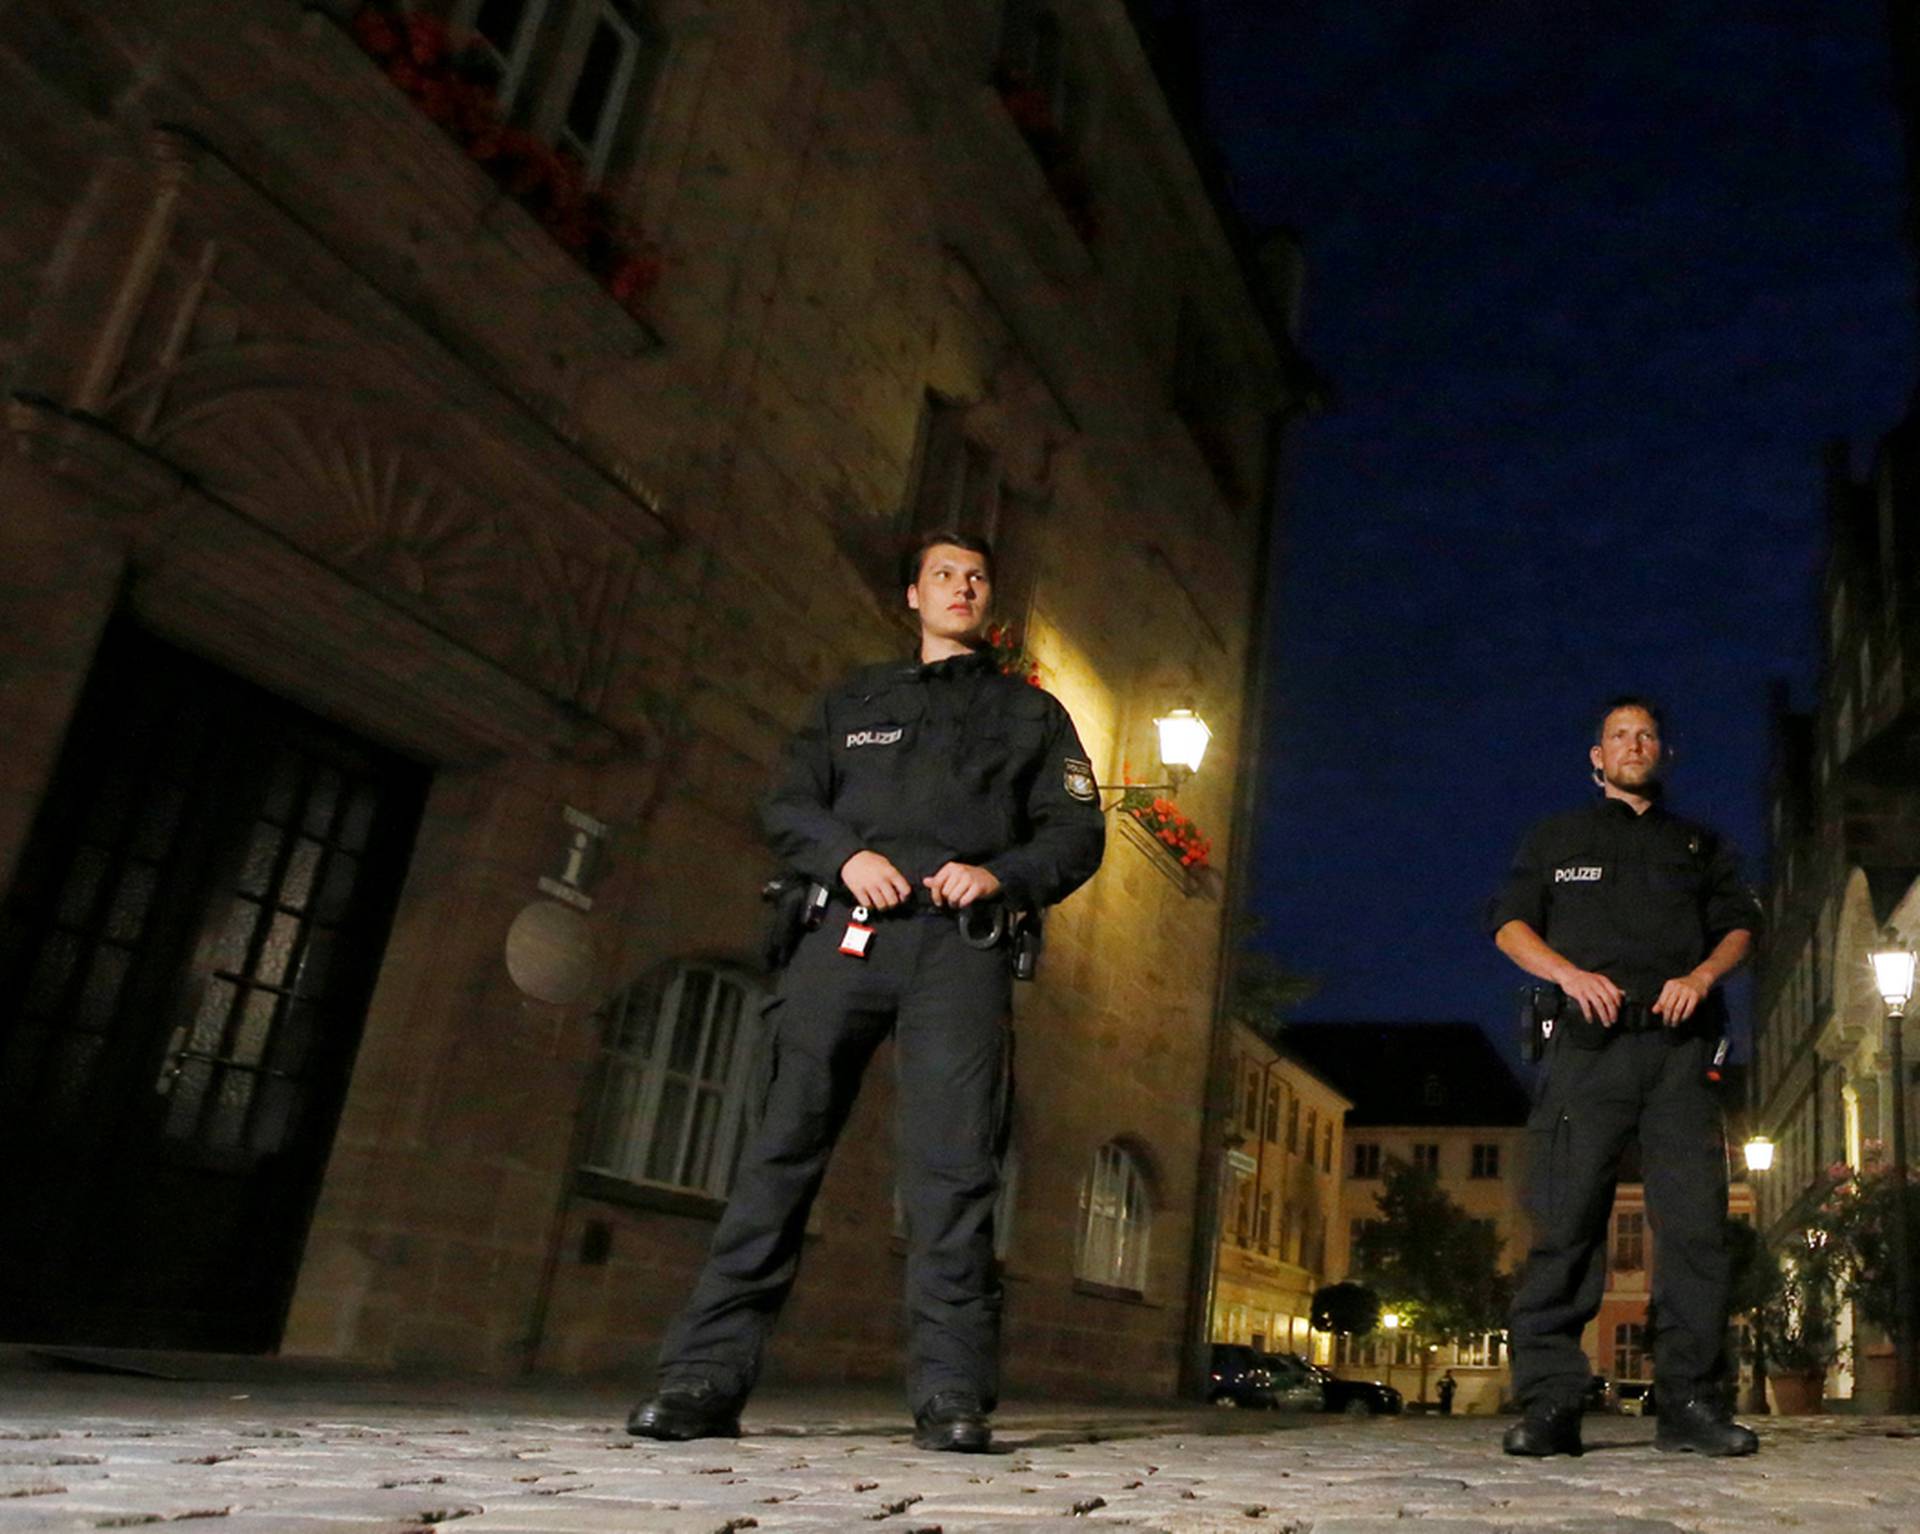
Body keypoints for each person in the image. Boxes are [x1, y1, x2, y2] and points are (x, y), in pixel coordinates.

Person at [628, 531, 1106, 1453]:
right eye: (943, 576)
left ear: (989, 604)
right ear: (912, 597)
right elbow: (787, 803)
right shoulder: (852, 699)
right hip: (841, 940)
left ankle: (951, 1392)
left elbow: (1075, 832)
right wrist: (845, 855)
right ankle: (702, 1378)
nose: (961, 588)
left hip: (957, 952)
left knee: (955, 1169)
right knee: (781, 1148)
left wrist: (1002, 875)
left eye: (975, 578)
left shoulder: (1031, 715)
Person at [1487, 697, 1761, 1458]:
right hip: (1587, 1050)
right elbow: (1510, 924)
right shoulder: (1557, 838)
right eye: (1618, 736)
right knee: (1565, 1221)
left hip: (1679, 1052)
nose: (1634, 745)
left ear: (1663, 756)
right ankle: (1550, 1405)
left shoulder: (1702, 845)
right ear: (1596, 758)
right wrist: (1570, 975)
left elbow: (1740, 924)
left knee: (1698, 1229)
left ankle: (1691, 1405)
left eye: (1647, 736)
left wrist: (1703, 977)